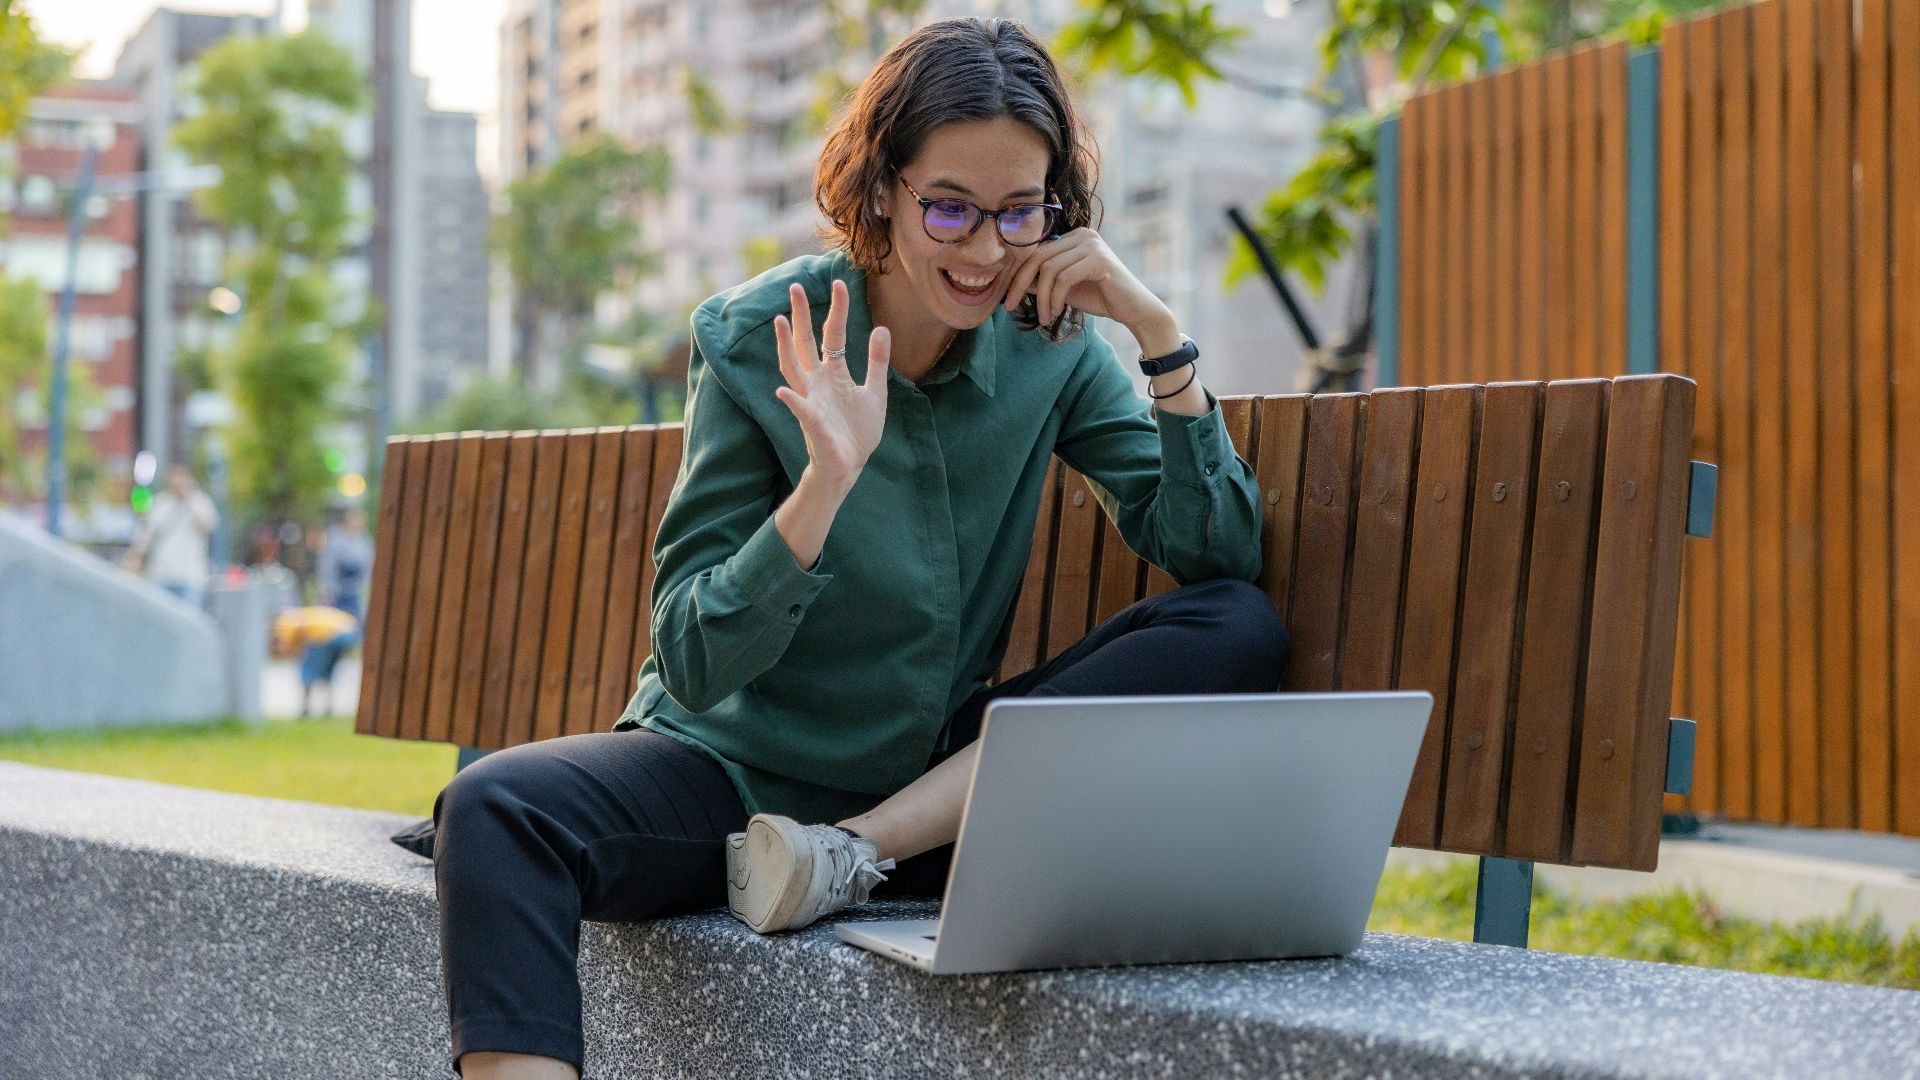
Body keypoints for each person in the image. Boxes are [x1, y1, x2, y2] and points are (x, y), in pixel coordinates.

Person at [430, 18, 1290, 1080]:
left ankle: (859, 850)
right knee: (494, 810)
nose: (984, 251)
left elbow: (1217, 556)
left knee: (1236, 627)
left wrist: (1157, 332)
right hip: (736, 780)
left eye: (1021, 213)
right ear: (883, 187)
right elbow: (694, 658)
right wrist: (823, 485)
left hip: (922, 798)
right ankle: (839, 851)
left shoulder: (1051, 346)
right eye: (950, 209)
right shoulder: (756, 336)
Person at [125, 464, 217, 608]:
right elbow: (145, 538)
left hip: (191, 577)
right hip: (161, 575)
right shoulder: (159, 504)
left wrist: (189, 498)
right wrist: (132, 563)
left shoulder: (199, 501)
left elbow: (207, 527)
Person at [271, 604, 360, 718]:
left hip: (326, 634)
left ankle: (305, 710)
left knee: (307, 671)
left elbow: (300, 629)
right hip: (348, 631)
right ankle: (328, 709)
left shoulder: (282, 622)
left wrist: (302, 648)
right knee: (328, 673)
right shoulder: (295, 614)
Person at [314, 506, 373, 619]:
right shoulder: (335, 538)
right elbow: (327, 565)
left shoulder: (363, 540)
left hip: (353, 590)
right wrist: (327, 588)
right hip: (336, 590)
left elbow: (367, 564)